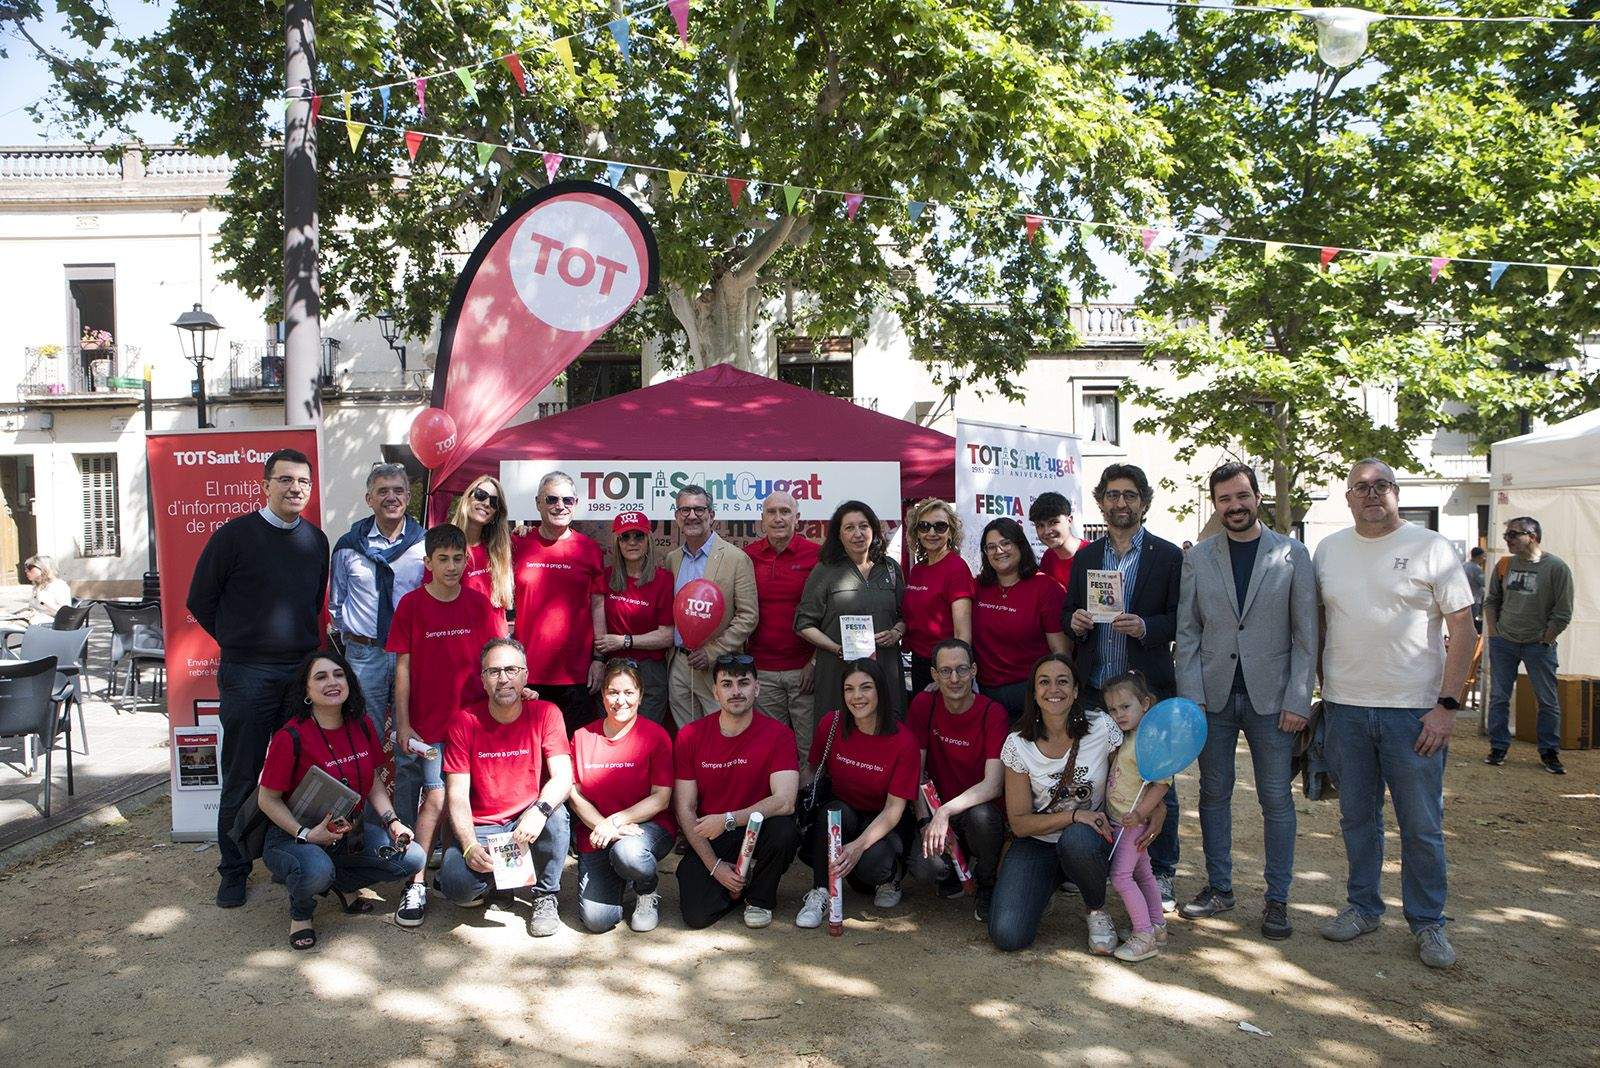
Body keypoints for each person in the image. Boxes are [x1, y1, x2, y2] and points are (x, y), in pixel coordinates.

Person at [1314, 459, 1475, 969]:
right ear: (1347, 497)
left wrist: (1447, 707)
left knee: (1422, 825)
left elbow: (1466, 632)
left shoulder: (1432, 548)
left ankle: (1429, 923)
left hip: (1415, 715)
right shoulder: (1329, 550)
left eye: (1381, 485)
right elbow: (1318, 624)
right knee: (1357, 818)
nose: (1371, 494)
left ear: (1396, 493)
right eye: (1360, 487)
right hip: (1346, 709)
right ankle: (1363, 907)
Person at [1175, 462, 1317, 940]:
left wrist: (1300, 697)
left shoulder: (1292, 554)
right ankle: (1219, 888)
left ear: (1258, 497)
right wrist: (1191, 696)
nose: (1234, 506)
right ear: (1215, 505)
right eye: (1224, 499)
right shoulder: (1199, 558)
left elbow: (1306, 636)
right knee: (1213, 794)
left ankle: (1277, 899)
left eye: (1242, 496)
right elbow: (1188, 631)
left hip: (1273, 701)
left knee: (1276, 798)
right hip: (1212, 698)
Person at [189, 447, 329, 910]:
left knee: (298, 774)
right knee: (244, 774)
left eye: (303, 482)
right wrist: (240, 640)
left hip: (299, 675)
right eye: (286, 480)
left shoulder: (316, 541)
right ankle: (233, 870)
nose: (295, 489)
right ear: (265, 485)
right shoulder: (233, 537)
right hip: (247, 673)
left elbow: (312, 606)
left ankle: (286, 856)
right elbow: (200, 601)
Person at [1063, 463, 1183, 910]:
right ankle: (1099, 858)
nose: (1120, 503)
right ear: (1101, 502)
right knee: (1099, 777)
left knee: (1155, 778)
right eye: (1112, 495)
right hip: (1096, 688)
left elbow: (1180, 618)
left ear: (1144, 502)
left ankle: (1163, 869)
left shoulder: (1167, 556)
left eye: (1129, 495)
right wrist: (1074, 622)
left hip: (1146, 692)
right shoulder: (1087, 557)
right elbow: (1069, 611)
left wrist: (1149, 626)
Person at [257, 651, 424, 950]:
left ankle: (341, 883)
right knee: (316, 870)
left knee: (413, 858)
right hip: (293, 836)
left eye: (338, 674)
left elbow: (372, 781)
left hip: (347, 833)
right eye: (320, 677)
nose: (332, 682)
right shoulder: (290, 736)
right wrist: (306, 835)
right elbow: (267, 800)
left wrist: (393, 822)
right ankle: (301, 913)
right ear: (306, 691)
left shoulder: (360, 725)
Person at [385, 523, 506, 928]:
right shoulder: (412, 606)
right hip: (426, 727)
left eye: (458, 559)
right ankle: (413, 881)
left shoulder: (480, 605)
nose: (452, 566)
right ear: (428, 563)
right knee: (433, 798)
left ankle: (449, 874)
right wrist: (403, 723)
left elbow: (498, 660)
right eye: (443, 559)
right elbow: (402, 669)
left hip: (471, 728)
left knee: (459, 800)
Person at [435, 638, 574, 938]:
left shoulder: (546, 713)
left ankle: (545, 895)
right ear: (483, 680)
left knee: (557, 814)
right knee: (457, 887)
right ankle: (501, 883)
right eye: (494, 672)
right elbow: (456, 794)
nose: (504, 679)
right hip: (484, 827)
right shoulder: (464, 722)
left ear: (525, 675)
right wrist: (470, 845)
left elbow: (564, 777)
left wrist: (539, 810)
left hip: (527, 820)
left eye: (511, 670)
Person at [987, 654, 1124, 954]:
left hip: (1089, 840)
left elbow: (1127, 781)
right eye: (1044, 682)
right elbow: (1021, 823)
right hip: (1038, 842)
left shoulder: (1101, 727)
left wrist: (1156, 805)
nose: (1054, 689)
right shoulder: (1018, 744)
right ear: (1034, 693)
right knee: (1008, 936)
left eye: (1063, 682)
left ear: (1076, 690)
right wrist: (1074, 815)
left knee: (1077, 840)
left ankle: (1096, 909)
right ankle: (1046, 885)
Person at [673, 654, 801, 929]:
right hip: (713, 833)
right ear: (715, 691)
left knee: (784, 830)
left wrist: (729, 818)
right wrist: (715, 866)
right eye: (727, 684)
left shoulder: (779, 735)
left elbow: (785, 802)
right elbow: (685, 808)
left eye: (743, 683)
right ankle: (739, 883)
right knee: (696, 915)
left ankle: (759, 899)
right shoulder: (690, 736)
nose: (736, 691)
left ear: (757, 688)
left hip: (756, 827)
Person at [795, 659, 921, 926]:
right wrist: (793, 805)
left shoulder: (904, 741)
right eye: (849, 689)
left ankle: (891, 877)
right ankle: (821, 893)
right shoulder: (832, 723)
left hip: (884, 822)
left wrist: (857, 848)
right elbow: (812, 770)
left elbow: (894, 810)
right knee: (831, 813)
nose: (857, 696)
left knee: (871, 864)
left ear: (880, 692)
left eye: (866, 688)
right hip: (844, 814)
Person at [569, 659, 676, 934]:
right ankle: (621, 877)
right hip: (597, 835)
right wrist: (603, 827)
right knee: (597, 920)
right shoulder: (582, 737)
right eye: (613, 692)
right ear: (602, 695)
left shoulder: (656, 736)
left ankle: (646, 890)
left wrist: (614, 822)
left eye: (629, 692)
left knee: (628, 853)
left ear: (640, 695)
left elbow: (661, 798)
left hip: (647, 829)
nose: (621, 700)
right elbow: (575, 795)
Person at [905, 638, 1007, 921]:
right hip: (937, 812)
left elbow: (993, 784)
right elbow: (916, 771)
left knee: (982, 818)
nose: (954, 678)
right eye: (946, 671)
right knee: (927, 869)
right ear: (934, 675)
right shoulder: (924, 704)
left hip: (978, 810)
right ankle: (951, 871)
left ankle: (987, 883)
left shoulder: (992, 712)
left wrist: (946, 811)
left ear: (974, 670)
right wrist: (926, 820)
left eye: (962, 670)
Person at [329, 462, 427, 741]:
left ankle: (408, 788)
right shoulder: (348, 547)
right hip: (363, 654)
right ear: (369, 499)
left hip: (410, 654)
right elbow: (337, 602)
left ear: (408, 497)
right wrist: (356, 635)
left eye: (398, 490)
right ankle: (369, 787)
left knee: (409, 737)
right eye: (382, 491)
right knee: (363, 736)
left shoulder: (424, 545)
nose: (391, 497)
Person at [511, 471, 606, 735]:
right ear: (538, 503)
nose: (559, 506)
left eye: (567, 500)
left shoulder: (589, 549)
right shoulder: (517, 544)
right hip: (528, 673)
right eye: (551, 499)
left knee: (575, 752)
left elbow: (598, 606)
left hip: (577, 675)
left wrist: (599, 658)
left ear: (576, 504)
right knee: (533, 752)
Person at [796, 500, 907, 723]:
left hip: (884, 667)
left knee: (886, 728)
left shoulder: (891, 568)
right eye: (849, 528)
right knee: (840, 732)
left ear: (874, 530)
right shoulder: (825, 570)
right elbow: (804, 624)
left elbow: (904, 616)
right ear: (839, 535)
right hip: (839, 670)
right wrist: (837, 649)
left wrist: (897, 632)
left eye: (863, 526)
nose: (858, 534)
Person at [1483, 516, 1575, 774]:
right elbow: (1491, 601)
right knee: (1499, 697)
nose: (1507, 540)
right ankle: (1498, 746)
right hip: (1504, 643)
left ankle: (1549, 751)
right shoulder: (1504, 565)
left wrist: (1546, 638)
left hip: (1538, 645)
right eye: (1506, 536)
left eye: (1513, 535)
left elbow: (1563, 611)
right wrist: (1495, 633)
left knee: (1546, 699)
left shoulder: (1556, 567)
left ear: (1532, 536)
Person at [666, 485, 759, 727]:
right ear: (677, 516)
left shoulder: (736, 558)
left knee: (723, 733)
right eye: (684, 510)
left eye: (699, 509)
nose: (692, 516)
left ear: (712, 515)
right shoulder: (672, 559)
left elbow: (748, 616)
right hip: (679, 664)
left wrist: (712, 652)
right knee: (687, 736)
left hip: (718, 667)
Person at [1100, 671, 1174, 963]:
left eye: (1125, 707)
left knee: (1120, 877)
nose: (1119, 714)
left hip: (1133, 822)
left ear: (1145, 703)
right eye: (1113, 709)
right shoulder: (1130, 736)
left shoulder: (1150, 740)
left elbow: (1161, 782)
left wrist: (1141, 813)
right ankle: (1157, 925)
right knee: (1143, 872)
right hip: (1120, 820)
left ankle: (1143, 936)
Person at [744, 491, 822, 760]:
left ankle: (806, 801)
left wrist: (813, 662)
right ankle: (779, 801)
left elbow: (829, 614)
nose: (778, 518)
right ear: (761, 520)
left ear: (797, 519)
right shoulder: (747, 557)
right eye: (772, 512)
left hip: (804, 672)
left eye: (785, 512)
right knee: (772, 746)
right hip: (762, 671)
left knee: (808, 747)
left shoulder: (817, 556)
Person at [971, 517, 1068, 722]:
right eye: (991, 547)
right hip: (986, 694)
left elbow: (1061, 652)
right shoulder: (977, 586)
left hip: (1031, 695)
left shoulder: (1046, 588)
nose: (999, 551)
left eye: (1006, 543)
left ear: (1020, 545)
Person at [596, 511, 675, 724]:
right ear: (617, 542)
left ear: (648, 540)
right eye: (625, 537)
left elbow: (667, 636)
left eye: (638, 536)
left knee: (646, 737)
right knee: (613, 737)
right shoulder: (605, 577)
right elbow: (599, 632)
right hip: (612, 670)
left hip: (650, 672)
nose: (632, 542)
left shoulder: (664, 580)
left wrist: (625, 641)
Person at [902, 499, 974, 699]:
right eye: (924, 526)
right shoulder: (918, 570)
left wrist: (951, 675)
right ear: (916, 532)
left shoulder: (956, 568)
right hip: (919, 662)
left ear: (951, 532)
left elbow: (963, 634)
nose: (932, 533)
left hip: (946, 667)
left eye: (940, 526)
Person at [446, 473, 515, 616]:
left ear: (496, 514)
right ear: (467, 497)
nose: (486, 503)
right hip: (460, 635)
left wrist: (526, 529)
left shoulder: (500, 550)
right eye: (481, 495)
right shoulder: (442, 548)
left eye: (494, 502)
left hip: (497, 636)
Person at [1030, 491, 1087, 591]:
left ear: (1069, 521)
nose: (1047, 531)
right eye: (1040, 525)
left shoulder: (1092, 554)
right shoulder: (1048, 557)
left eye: (1053, 522)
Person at [4, 555, 73, 631]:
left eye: (30, 568)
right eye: (25, 568)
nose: (26, 571)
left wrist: (44, 602)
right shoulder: (38, 587)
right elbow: (34, 608)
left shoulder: (59, 586)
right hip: (35, 621)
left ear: (43, 568)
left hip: (50, 625)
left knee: (7, 627)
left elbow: (64, 613)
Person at [1464, 546, 1487, 632]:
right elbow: (1484, 583)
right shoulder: (1476, 568)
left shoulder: (1465, 565)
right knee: (1472, 622)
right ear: (1479, 556)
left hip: (1465, 598)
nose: (1484, 559)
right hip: (1474, 599)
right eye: (1483, 556)